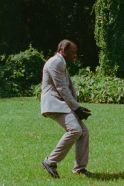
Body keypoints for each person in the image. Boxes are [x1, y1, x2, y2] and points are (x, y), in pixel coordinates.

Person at [39, 39, 92, 178]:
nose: (75, 56)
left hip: (60, 104)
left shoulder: (60, 63)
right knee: (75, 130)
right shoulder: (55, 62)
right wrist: (77, 108)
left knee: (83, 132)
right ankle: (50, 162)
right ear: (63, 50)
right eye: (72, 52)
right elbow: (61, 88)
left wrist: (77, 108)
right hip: (54, 104)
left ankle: (80, 168)